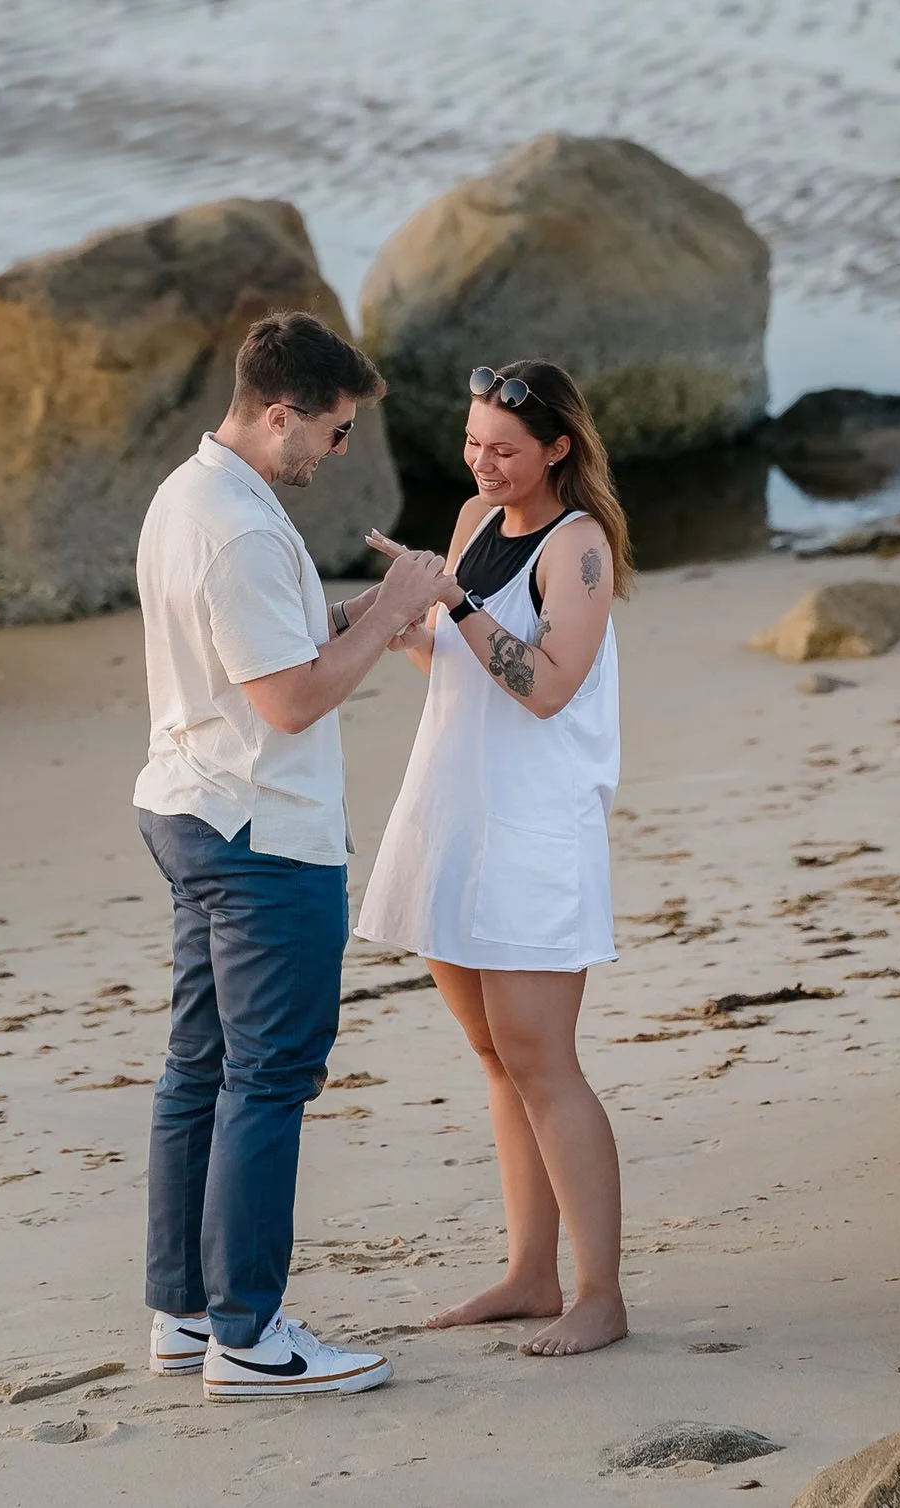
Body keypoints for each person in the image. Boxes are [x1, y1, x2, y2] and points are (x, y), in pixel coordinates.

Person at [133, 309, 446, 1400]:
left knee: (200, 1069)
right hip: (261, 833)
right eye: (335, 429)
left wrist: (370, 610)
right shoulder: (245, 528)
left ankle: (183, 1315)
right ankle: (251, 1338)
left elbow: (264, 644)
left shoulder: (191, 495)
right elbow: (289, 697)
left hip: (192, 808)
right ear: (281, 413)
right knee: (267, 1079)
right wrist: (398, 606)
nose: (340, 452)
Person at [355, 358, 633, 1358]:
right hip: (452, 813)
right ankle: (528, 1272)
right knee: (491, 1057)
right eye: (475, 445)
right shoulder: (476, 522)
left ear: (558, 448)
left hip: (532, 828)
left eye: (506, 450)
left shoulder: (580, 546)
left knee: (541, 1059)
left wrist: (458, 607)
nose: (485, 463)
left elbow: (549, 683)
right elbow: (455, 662)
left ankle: (599, 1293)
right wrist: (404, 614)